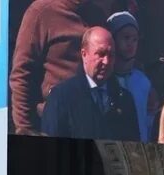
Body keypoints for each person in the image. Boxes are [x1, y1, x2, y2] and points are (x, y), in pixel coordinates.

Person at [9, 0, 109, 135]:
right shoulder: (41, 12)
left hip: (90, 122)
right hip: (52, 124)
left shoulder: (97, 15)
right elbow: (21, 74)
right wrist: (25, 129)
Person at [41, 27, 142, 141]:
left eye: (111, 55)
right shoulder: (61, 97)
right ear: (84, 54)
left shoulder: (124, 100)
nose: (106, 61)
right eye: (101, 54)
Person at [107, 11, 156, 142]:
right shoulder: (104, 81)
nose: (131, 44)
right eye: (126, 38)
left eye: (135, 39)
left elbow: (148, 122)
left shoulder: (143, 82)